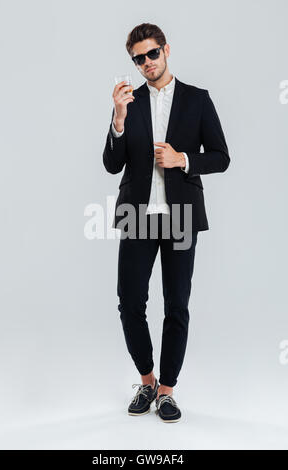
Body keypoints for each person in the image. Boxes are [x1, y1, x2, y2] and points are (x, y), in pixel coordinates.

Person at [102, 23, 230, 423]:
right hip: (136, 215)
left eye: (151, 54)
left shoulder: (197, 100)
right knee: (130, 303)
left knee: (177, 305)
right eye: (138, 58)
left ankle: (168, 391)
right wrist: (118, 120)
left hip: (181, 215)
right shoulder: (129, 102)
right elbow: (111, 164)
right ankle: (147, 380)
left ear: (166, 50)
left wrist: (184, 159)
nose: (146, 63)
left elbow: (222, 157)